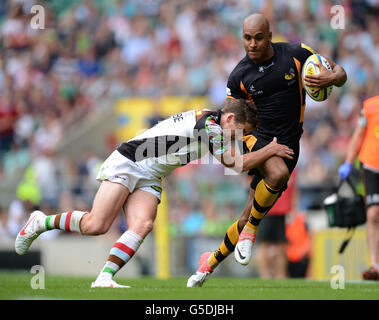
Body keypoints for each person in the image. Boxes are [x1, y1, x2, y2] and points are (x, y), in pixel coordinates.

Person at [15, 98, 294, 288]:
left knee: (144, 224)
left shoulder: (214, 123)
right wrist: (270, 149)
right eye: (239, 131)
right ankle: (40, 222)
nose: (237, 136)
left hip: (151, 172)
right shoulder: (210, 126)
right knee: (96, 225)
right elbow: (236, 164)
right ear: (230, 118)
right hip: (130, 160)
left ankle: (105, 277)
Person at [187, 13, 346, 287]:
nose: (252, 44)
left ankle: (208, 263)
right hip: (256, 137)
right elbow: (231, 120)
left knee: (250, 210)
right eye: (247, 38)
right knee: (277, 172)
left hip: (290, 142)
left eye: (258, 37)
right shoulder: (239, 75)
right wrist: (241, 151)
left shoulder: (296, 54)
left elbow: (341, 74)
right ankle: (251, 232)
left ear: (270, 36)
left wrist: (331, 78)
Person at [338, 95, 379, 281]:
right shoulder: (370, 106)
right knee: (373, 214)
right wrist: (348, 161)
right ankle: (375, 265)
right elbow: (359, 134)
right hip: (372, 165)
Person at [256, 170, 297, 279]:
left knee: (281, 246)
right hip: (266, 209)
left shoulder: (291, 167)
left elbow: (293, 189)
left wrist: (292, 208)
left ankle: (280, 275)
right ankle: (265, 275)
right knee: (263, 245)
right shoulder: (267, 163)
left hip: (282, 211)